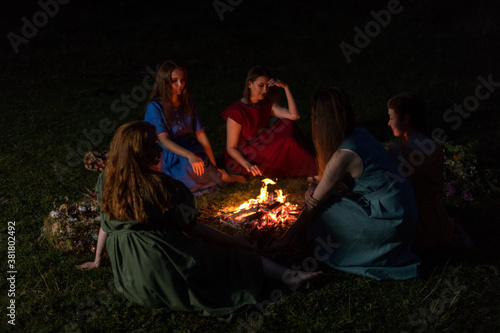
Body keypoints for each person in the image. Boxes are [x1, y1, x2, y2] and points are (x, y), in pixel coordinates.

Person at [77, 120, 321, 320]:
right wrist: (234, 241)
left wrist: (99, 259)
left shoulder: (107, 181)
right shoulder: (160, 186)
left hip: (131, 279)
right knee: (224, 256)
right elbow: (193, 227)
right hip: (159, 262)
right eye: (154, 146)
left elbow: (105, 223)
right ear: (138, 153)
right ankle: (291, 277)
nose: (160, 150)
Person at [272, 87, 421, 280]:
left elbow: (313, 206)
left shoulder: (343, 155)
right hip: (404, 208)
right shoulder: (361, 133)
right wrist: (316, 187)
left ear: (323, 121)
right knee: (329, 198)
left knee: (324, 210)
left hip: (389, 222)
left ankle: (359, 250)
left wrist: (285, 238)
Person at [386, 93, 473, 253]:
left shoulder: (398, 152)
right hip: (437, 215)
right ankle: (453, 236)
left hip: (414, 219)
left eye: (391, 118)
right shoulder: (435, 147)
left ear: (406, 119)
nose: (388, 123)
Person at [144, 60, 243, 196]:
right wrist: (189, 156)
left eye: (182, 80)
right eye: (174, 81)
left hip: (191, 148)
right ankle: (214, 180)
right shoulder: (155, 107)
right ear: (165, 82)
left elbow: (201, 134)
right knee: (188, 167)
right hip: (168, 153)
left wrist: (214, 166)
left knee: (201, 165)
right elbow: (164, 140)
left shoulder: (188, 103)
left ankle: (216, 176)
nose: (180, 85)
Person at [221, 65, 317, 178]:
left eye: (267, 86)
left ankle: (309, 164)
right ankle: (312, 170)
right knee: (287, 141)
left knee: (288, 124)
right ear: (249, 84)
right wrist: (247, 165)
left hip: (261, 142)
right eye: (261, 86)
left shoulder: (266, 104)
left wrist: (286, 87)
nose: (265, 90)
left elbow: (294, 116)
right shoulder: (237, 111)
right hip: (246, 153)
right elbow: (231, 147)